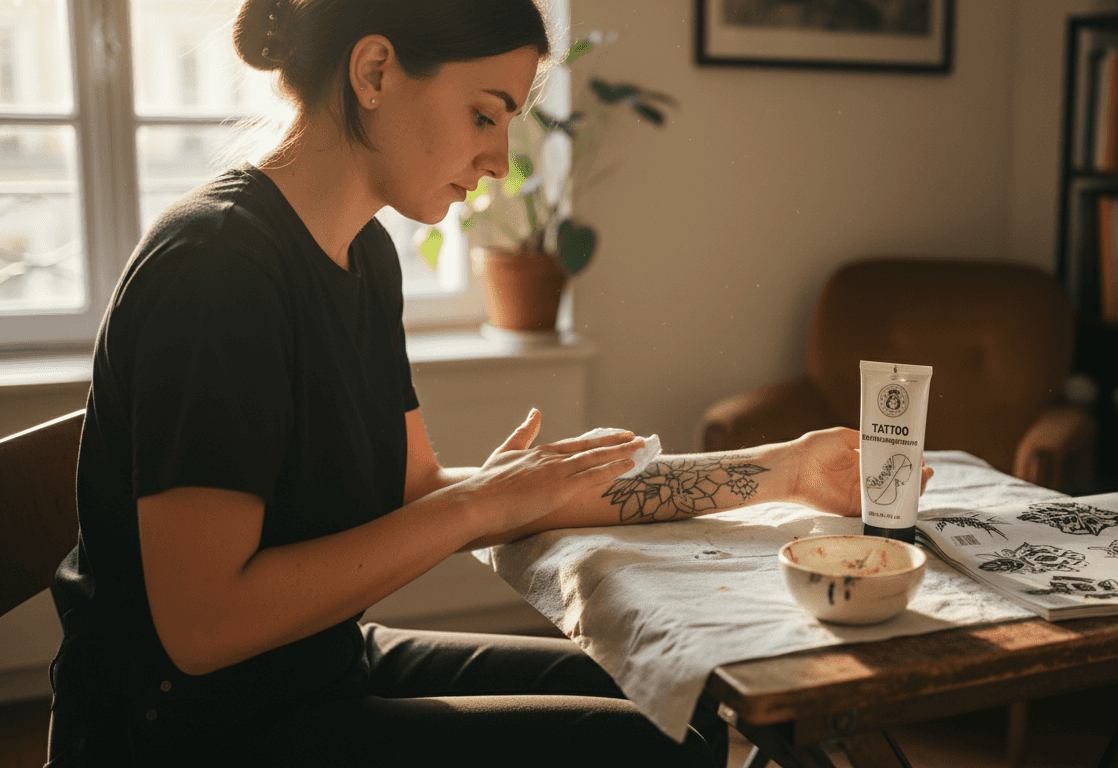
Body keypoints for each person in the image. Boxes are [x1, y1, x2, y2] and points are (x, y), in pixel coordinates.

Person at [45, 1, 933, 766]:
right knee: (641, 748)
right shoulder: (217, 269)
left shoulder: (363, 258)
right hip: (192, 731)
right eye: (485, 114)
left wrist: (783, 472)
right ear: (375, 70)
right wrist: (484, 506)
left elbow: (425, 494)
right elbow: (202, 629)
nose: (500, 160)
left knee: (684, 696)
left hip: (314, 667)